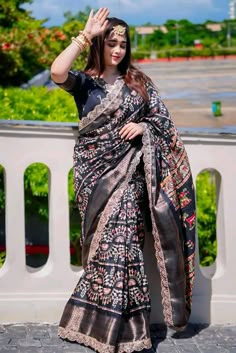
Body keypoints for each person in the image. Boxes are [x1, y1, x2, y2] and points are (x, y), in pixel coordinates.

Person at [51, 7, 196, 353]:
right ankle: (92, 324)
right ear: (100, 44)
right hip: (93, 178)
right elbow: (57, 71)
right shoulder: (86, 84)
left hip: (130, 180)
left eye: (122, 44)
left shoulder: (139, 84)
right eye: (111, 43)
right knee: (102, 253)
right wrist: (84, 34)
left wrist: (144, 127)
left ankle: (126, 330)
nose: (117, 50)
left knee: (125, 250)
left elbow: (164, 125)